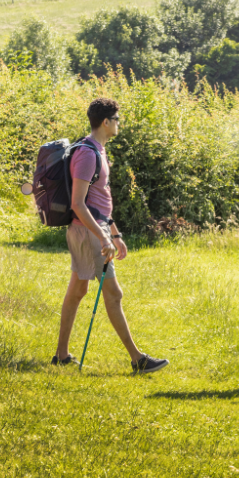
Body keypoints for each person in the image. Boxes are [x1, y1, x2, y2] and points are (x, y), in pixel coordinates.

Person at [52, 97, 167, 374]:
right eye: (117, 119)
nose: (119, 124)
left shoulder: (97, 150)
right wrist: (102, 237)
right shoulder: (88, 154)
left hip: (95, 228)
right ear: (106, 122)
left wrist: (114, 232)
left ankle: (61, 355)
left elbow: (99, 201)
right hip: (88, 231)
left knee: (77, 290)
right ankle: (138, 359)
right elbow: (78, 204)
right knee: (113, 294)